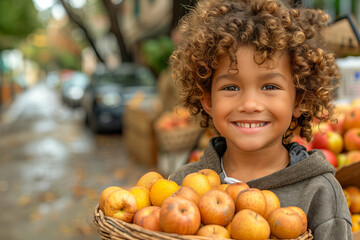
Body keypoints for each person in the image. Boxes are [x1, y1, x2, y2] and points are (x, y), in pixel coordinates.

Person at [168, 0, 353, 239]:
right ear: (208, 100)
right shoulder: (182, 186)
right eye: (231, 88)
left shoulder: (320, 192)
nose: (250, 105)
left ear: (299, 100)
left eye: (269, 86)